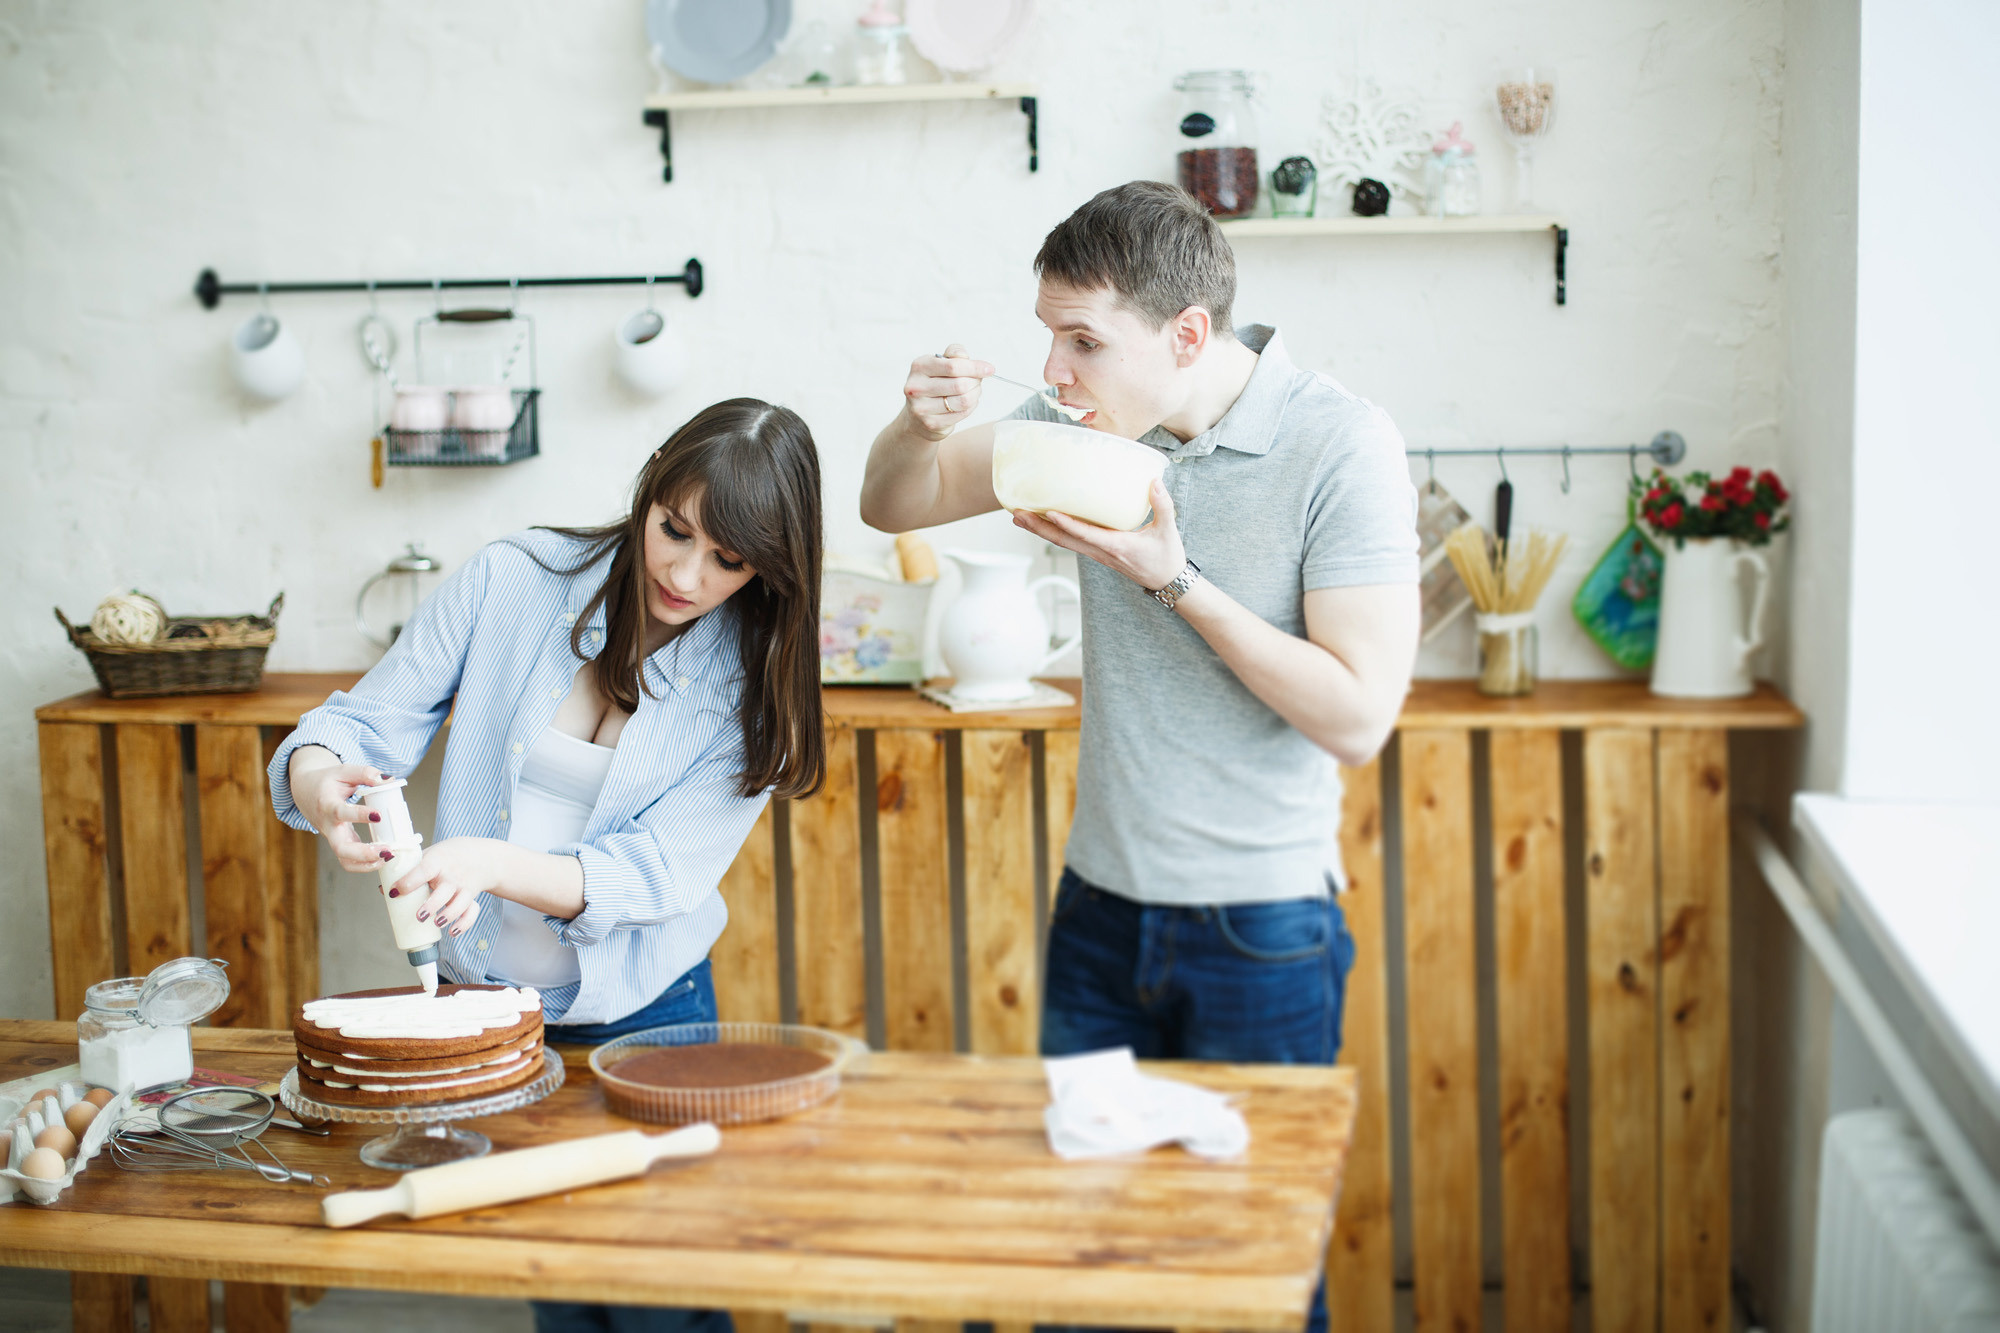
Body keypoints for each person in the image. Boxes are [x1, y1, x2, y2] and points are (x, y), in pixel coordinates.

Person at [859, 182, 1420, 1333]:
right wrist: (916, 424)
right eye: (1046, 337)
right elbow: (891, 502)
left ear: (1186, 335)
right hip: (1100, 917)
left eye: (1082, 342)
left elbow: (1357, 718)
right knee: (1084, 1270)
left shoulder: (1339, 442)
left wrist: (1171, 579)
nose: (1053, 371)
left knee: (1246, 1284)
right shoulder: (1076, 431)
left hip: (1258, 933)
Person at [271, 397, 825, 1333]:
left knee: (661, 1298)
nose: (686, 574)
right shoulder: (514, 581)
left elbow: (657, 875)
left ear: (769, 567)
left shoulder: (754, 673)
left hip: (648, 1022)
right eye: (674, 531)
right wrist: (326, 785)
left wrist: (489, 861)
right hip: (490, 1021)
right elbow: (356, 726)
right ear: (650, 489)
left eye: (729, 561)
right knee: (558, 1286)